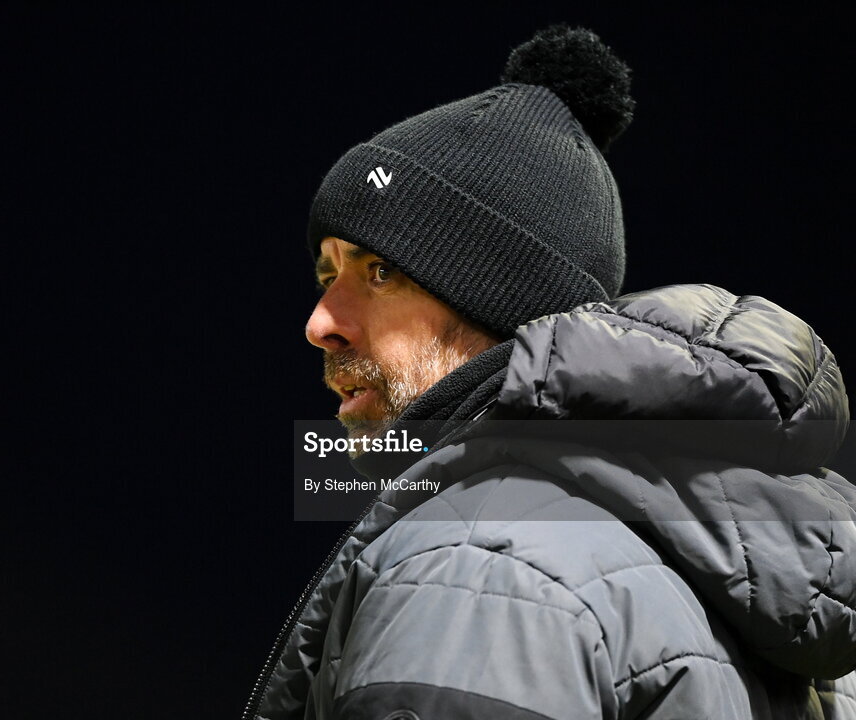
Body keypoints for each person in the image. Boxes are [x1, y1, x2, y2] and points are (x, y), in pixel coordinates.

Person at [244, 25, 856, 720]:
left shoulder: (475, 570)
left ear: (500, 295)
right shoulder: (729, 566)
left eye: (380, 271)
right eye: (327, 274)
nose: (320, 322)